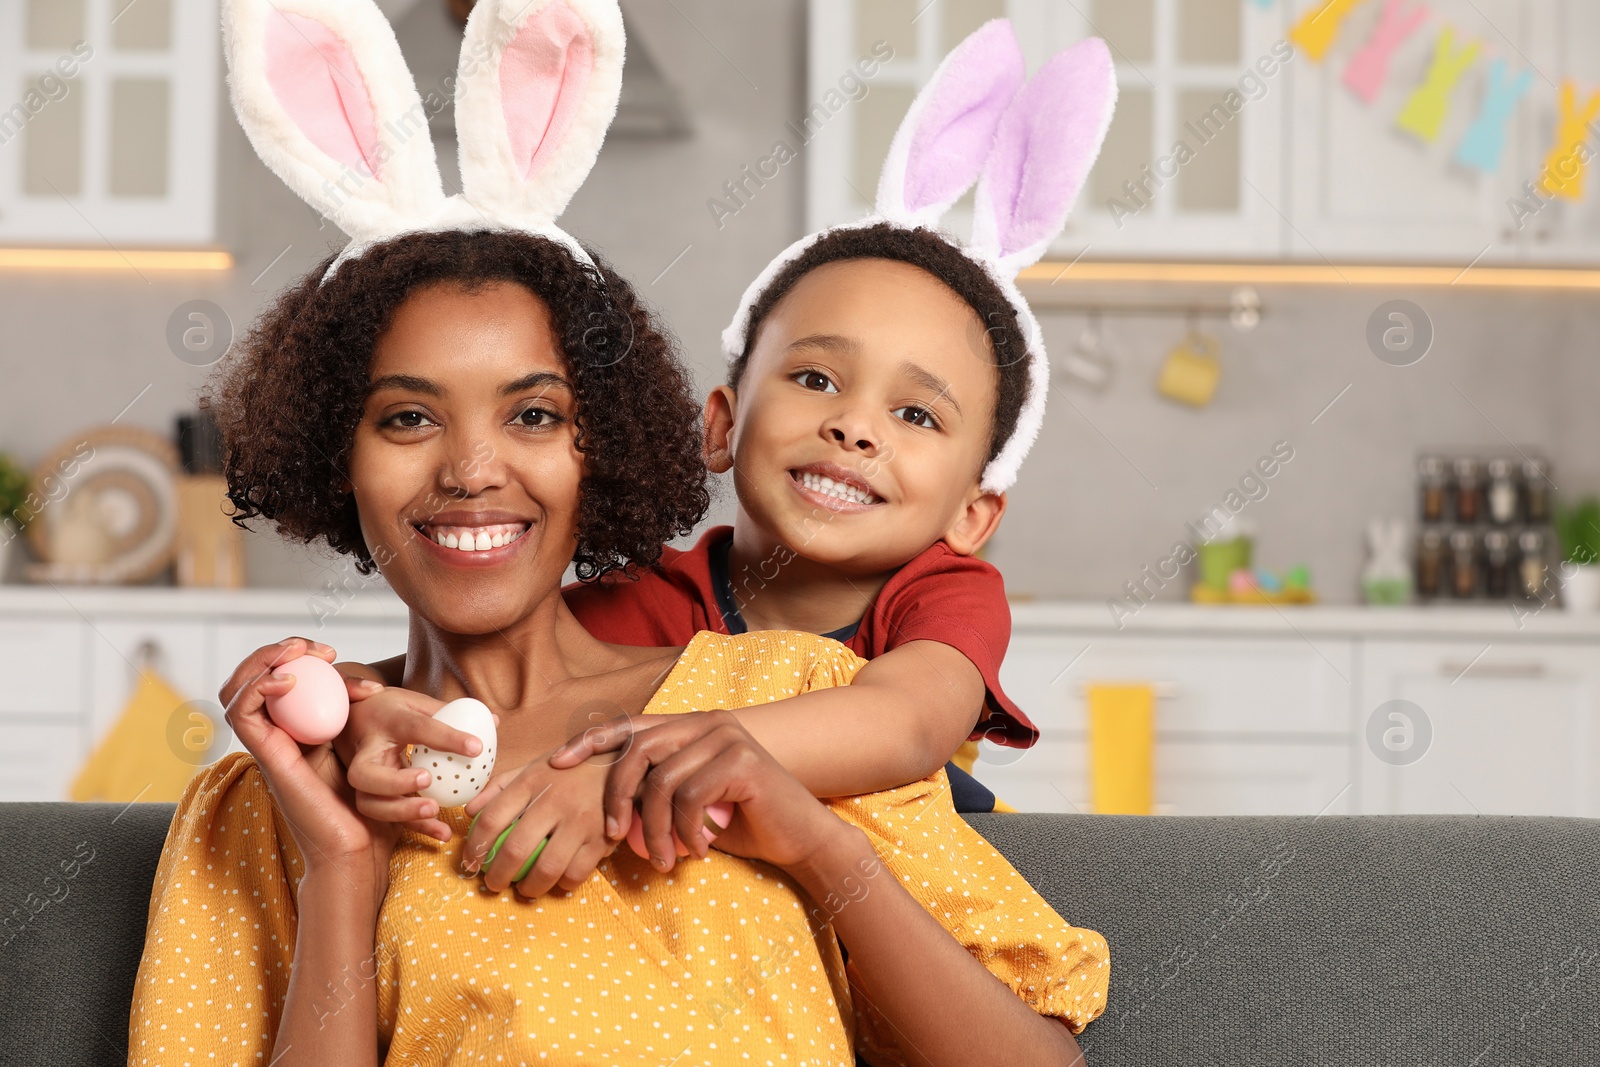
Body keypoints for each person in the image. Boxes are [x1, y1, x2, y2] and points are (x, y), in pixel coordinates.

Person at [132, 227, 1105, 1066]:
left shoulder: (794, 695)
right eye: (408, 417)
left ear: (604, 448)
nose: (472, 469)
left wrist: (811, 840)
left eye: (535, 414)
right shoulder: (283, 793)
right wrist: (343, 863)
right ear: (335, 457)